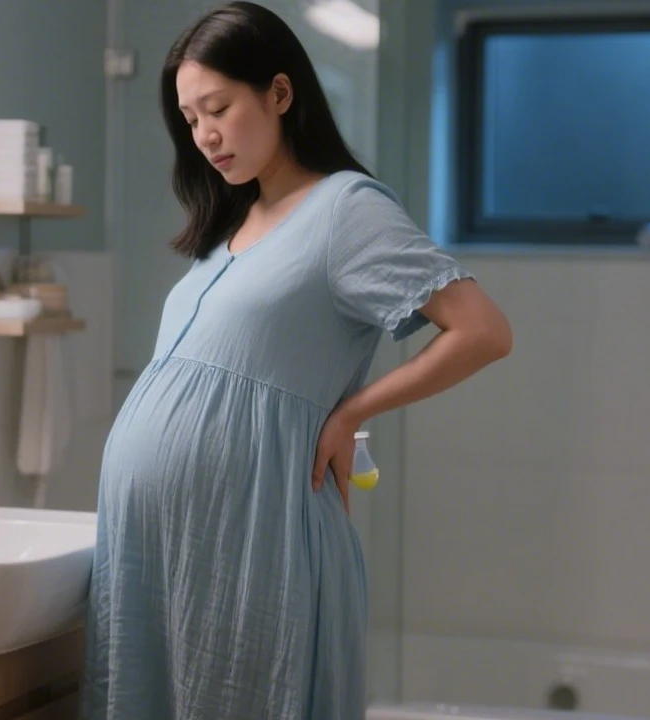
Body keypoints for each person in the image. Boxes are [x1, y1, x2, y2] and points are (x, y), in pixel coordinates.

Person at [80, 2, 512, 718]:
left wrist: (351, 413)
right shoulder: (237, 222)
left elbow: (483, 331)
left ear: (279, 93)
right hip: (164, 553)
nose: (204, 135)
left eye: (218, 108)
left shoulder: (346, 210)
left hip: (252, 543)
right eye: (189, 118)